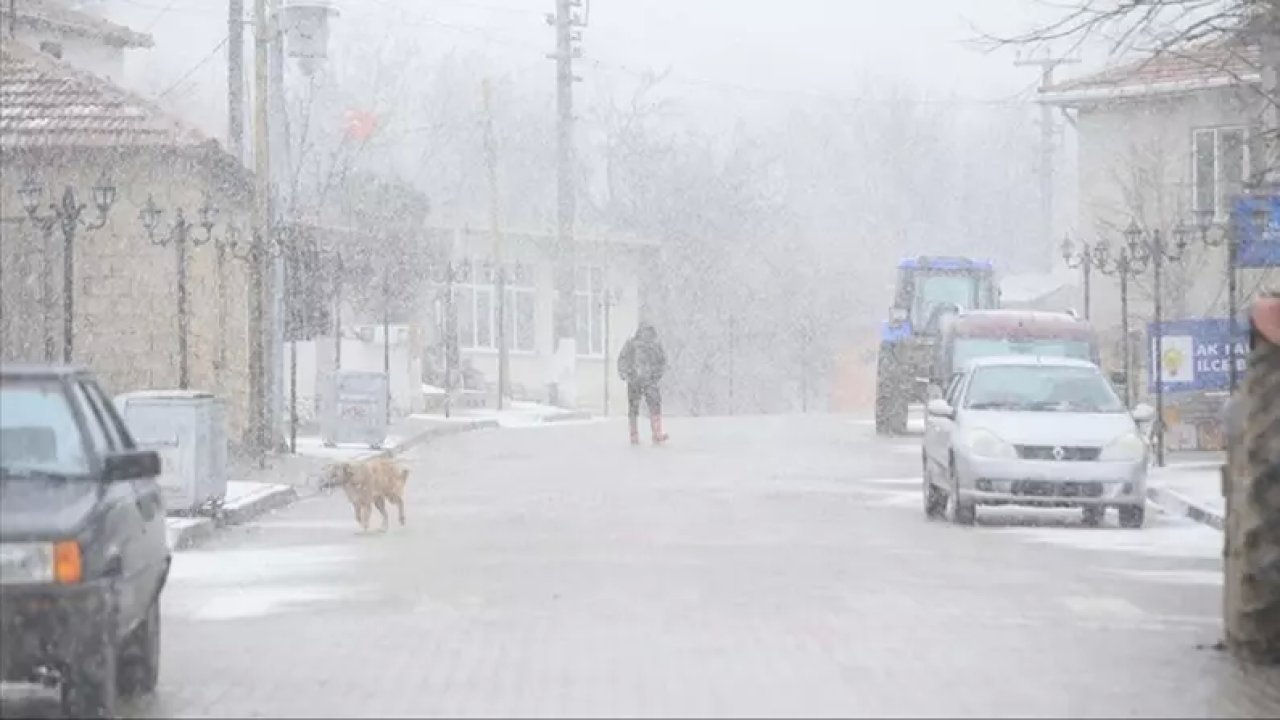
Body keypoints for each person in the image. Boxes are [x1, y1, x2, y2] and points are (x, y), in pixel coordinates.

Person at [618, 321, 669, 445]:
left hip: (647, 380)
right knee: (636, 408)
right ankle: (636, 434)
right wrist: (626, 373)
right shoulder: (632, 345)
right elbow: (623, 359)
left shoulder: (653, 346)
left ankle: (654, 433)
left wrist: (655, 375)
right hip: (637, 380)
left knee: (653, 406)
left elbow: (662, 362)